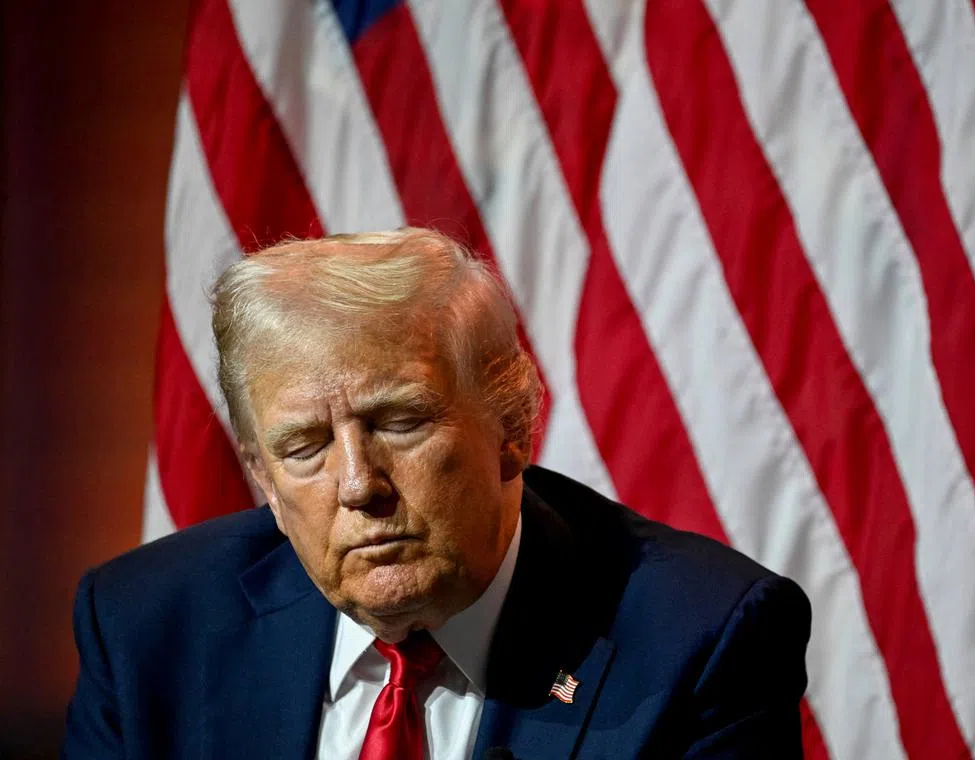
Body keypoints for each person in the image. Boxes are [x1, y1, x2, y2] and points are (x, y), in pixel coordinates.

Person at [63, 228, 811, 759]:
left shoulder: (699, 638)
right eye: (305, 447)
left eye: (400, 423)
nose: (358, 484)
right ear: (262, 475)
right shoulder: (147, 626)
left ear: (511, 426)